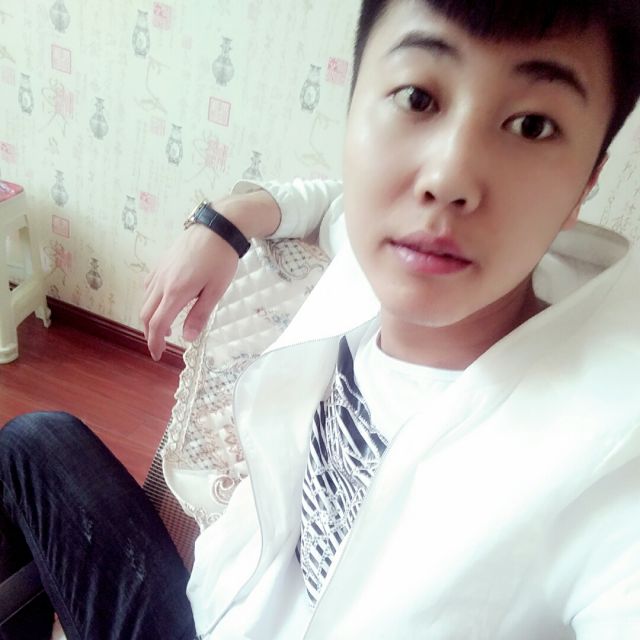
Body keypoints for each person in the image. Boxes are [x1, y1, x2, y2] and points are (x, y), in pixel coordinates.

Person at [2, 0, 640, 638]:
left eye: (532, 126)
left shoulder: (610, 450)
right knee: (34, 442)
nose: (448, 179)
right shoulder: (385, 249)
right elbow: (326, 200)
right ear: (354, 109)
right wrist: (222, 222)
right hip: (215, 610)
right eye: (417, 98)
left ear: (586, 183)